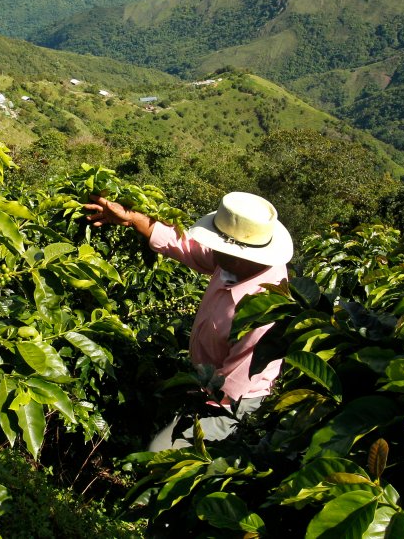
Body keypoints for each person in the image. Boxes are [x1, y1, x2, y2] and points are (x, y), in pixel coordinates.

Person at [84, 191, 293, 451]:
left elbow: (232, 388)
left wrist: (192, 405)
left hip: (233, 403)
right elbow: (186, 247)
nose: (212, 248)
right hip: (206, 380)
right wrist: (130, 218)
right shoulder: (237, 263)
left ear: (239, 255)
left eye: (219, 245)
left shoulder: (263, 314)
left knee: (160, 453)